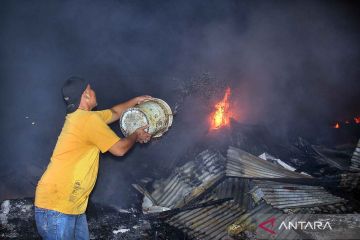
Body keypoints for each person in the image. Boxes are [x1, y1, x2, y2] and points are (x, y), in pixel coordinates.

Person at [34, 76, 152, 239]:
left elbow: (116, 112)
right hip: (57, 206)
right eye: (92, 89)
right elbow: (119, 149)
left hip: (71, 205)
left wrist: (137, 99)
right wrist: (136, 134)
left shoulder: (82, 117)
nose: (95, 92)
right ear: (86, 94)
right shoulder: (87, 121)